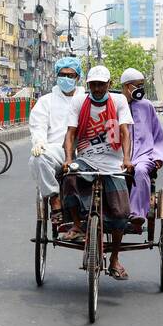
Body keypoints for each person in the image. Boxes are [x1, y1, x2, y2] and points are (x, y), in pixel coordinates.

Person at [63, 66, 133, 280]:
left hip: (113, 163)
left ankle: (114, 259)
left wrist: (126, 159)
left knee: (121, 213)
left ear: (109, 84)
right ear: (88, 85)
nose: (98, 88)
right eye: (94, 84)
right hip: (86, 159)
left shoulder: (119, 101)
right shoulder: (79, 101)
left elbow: (124, 132)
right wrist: (68, 159)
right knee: (69, 179)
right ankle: (77, 224)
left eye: (101, 84)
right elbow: (70, 133)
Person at [28, 56, 84, 225]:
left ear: (78, 78)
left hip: (84, 150)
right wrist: (39, 142)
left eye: (71, 75)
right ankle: (55, 199)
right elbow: (38, 125)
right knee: (38, 159)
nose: (66, 78)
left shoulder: (87, 99)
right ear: (57, 76)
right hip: (57, 150)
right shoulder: (46, 101)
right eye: (62, 74)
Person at [118, 68, 163, 232]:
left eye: (142, 85)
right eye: (137, 85)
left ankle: (136, 214)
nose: (141, 89)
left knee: (140, 171)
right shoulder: (116, 105)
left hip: (143, 156)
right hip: (117, 157)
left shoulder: (147, 106)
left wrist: (158, 156)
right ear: (126, 87)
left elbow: (158, 134)